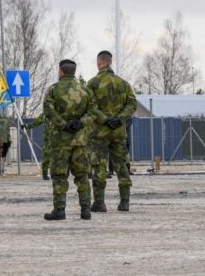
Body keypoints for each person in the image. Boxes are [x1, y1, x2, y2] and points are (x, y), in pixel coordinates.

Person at [42, 58, 96, 221]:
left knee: (59, 176)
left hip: (60, 141)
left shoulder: (53, 90)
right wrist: (80, 122)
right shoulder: (86, 91)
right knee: (82, 176)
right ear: (74, 71)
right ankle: (85, 209)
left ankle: (59, 210)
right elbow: (93, 112)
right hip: (80, 140)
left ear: (61, 71)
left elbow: (48, 111)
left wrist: (64, 125)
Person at [87, 50, 137, 212]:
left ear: (99, 63)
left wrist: (104, 119)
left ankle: (100, 203)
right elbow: (131, 104)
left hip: (99, 133)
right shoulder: (123, 83)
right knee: (122, 165)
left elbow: (90, 106)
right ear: (111, 62)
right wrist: (119, 119)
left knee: (99, 166)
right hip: (118, 132)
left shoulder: (93, 83)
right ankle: (125, 202)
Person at [23, 115, 51, 180]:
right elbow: (36, 122)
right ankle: (45, 174)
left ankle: (61, 173)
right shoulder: (47, 114)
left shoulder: (62, 112)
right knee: (47, 155)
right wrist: (26, 126)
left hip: (61, 138)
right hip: (49, 138)